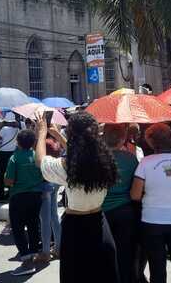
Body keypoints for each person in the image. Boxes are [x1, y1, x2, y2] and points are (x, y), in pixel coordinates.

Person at [35, 111, 119, 283]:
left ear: (72, 134)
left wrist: (42, 134)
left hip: (76, 228)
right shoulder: (105, 159)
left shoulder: (67, 167)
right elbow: (79, 155)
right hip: (100, 223)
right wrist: (57, 135)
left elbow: (40, 161)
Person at [130, 123, 171, 283]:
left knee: (157, 269)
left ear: (151, 142)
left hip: (152, 222)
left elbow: (135, 195)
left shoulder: (145, 163)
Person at [3, 129, 44, 275]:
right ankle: (33, 256)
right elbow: (44, 175)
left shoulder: (14, 158)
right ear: (33, 142)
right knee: (33, 225)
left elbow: (9, 181)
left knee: (18, 228)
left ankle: (26, 262)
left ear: (18, 142)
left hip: (19, 197)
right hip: (36, 197)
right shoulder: (37, 156)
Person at [103, 124, 139, 283]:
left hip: (102, 213)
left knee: (105, 252)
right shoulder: (131, 159)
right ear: (123, 138)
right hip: (125, 210)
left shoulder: (98, 158)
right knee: (124, 252)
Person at [36, 133, 63, 264]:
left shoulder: (45, 143)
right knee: (53, 214)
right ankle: (58, 247)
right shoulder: (56, 142)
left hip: (45, 181)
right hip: (56, 181)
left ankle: (46, 251)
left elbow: (39, 163)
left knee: (45, 218)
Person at [0, 113, 20, 200]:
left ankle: (1, 192)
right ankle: (10, 192)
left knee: (0, 173)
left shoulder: (4, 129)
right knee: (10, 172)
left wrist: (0, 126)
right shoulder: (17, 129)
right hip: (13, 153)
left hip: (3, 153)